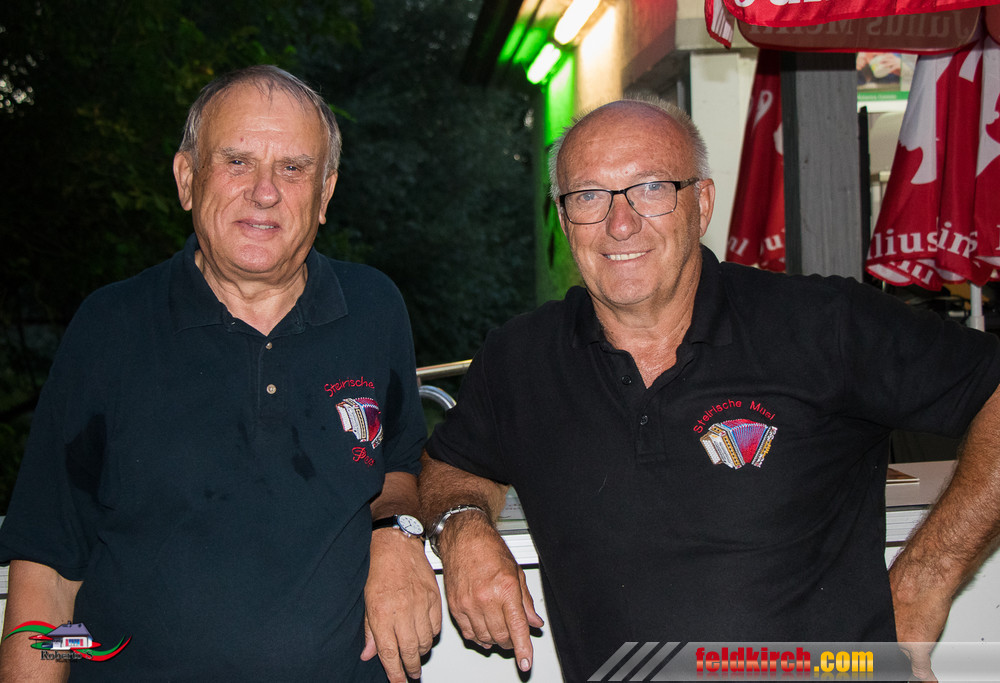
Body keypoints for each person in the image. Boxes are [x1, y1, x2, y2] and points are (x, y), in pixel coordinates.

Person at [418, 98, 1000, 681]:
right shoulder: (520, 358)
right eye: (589, 196)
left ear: (701, 203)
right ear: (565, 219)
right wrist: (462, 526)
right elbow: (449, 466)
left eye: (651, 188)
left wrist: (926, 578)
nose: (620, 224)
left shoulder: (823, 324)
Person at [0, 65, 440, 682]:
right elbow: (46, 573)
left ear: (325, 195)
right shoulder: (110, 326)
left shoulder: (373, 309)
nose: (265, 192)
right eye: (236, 162)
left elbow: (398, 466)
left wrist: (396, 532)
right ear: (187, 179)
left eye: (293, 168)